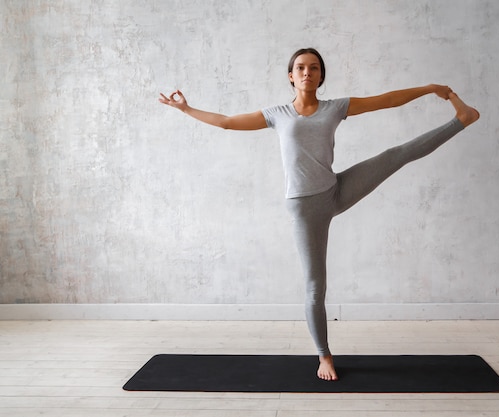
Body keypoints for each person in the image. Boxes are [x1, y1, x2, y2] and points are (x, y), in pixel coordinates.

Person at [159, 47, 479, 381]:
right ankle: (324, 355)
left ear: (321, 76)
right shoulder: (277, 114)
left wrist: (428, 88)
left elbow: (386, 100)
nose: (307, 73)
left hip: (336, 189)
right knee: (315, 286)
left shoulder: (335, 108)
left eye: (313, 68)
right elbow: (226, 123)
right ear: (291, 76)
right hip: (305, 206)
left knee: (396, 154)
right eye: (300, 68)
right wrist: (186, 109)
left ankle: (462, 119)